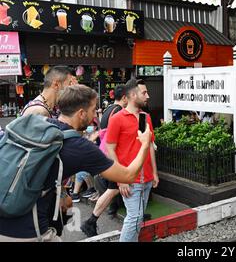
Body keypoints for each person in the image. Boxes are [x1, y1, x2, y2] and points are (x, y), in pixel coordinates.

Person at [0, 85, 152, 242]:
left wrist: (63, 193)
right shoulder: (79, 146)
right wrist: (145, 144)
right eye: (93, 110)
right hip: (28, 233)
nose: (95, 116)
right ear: (81, 113)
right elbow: (128, 175)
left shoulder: (43, 125)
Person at [106, 79, 159, 242]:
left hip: (147, 178)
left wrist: (155, 173)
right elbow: (110, 150)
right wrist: (120, 180)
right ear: (133, 95)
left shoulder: (146, 117)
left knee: (137, 219)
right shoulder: (117, 118)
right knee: (134, 218)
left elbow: (149, 145)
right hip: (129, 180)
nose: (148, 96)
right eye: (144, 92)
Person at [80, 85, 128, 237]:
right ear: (125, 97)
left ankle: (94, 220)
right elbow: (117, 137)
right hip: (113, 156)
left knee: (114, 189)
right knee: (113, 189)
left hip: (105, 153)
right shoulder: (119, 111)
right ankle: (90, 221)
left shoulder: (108, 110)